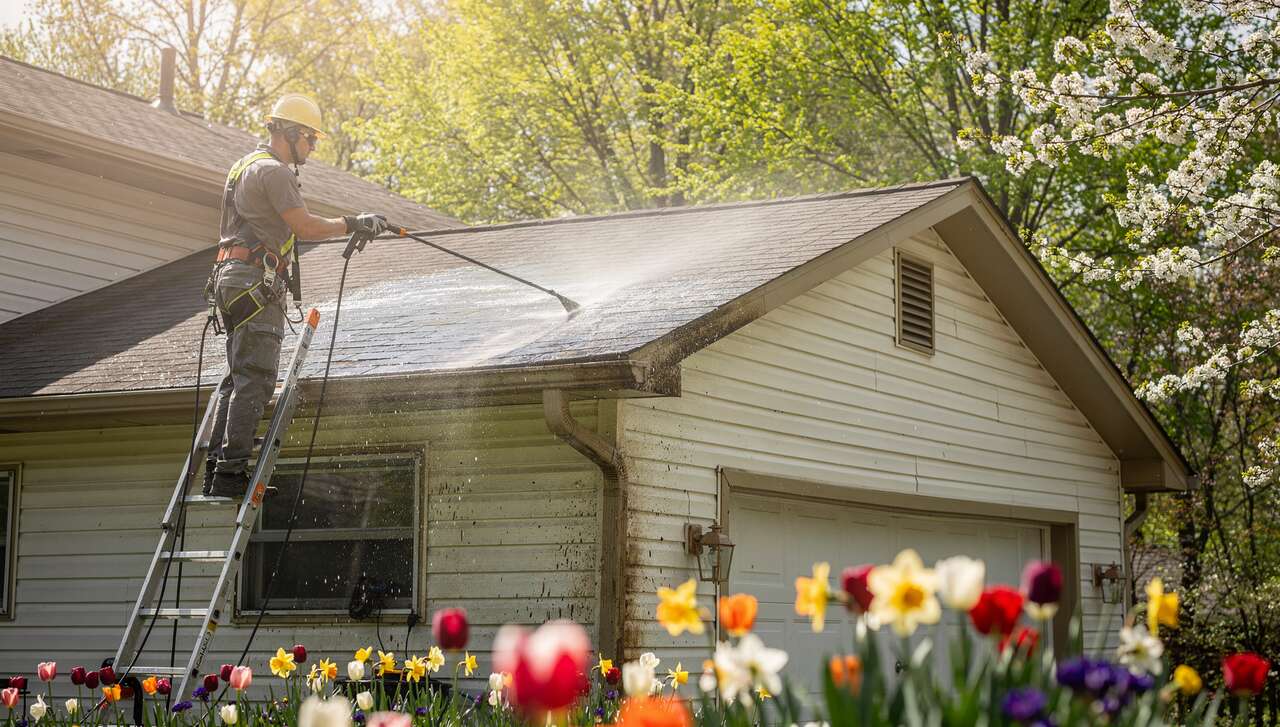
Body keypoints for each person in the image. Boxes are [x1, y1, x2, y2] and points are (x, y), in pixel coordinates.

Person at [204, 93, 388, 497]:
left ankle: (216, 466)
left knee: (237, 377)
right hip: (255, 279)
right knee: (255, 378)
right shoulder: (275, 172)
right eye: (310, 139)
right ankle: (231, 474)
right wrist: (353, 222)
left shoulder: (243, 166)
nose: (313, 147)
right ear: (290, 133)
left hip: (230, 278)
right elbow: (304, 227)